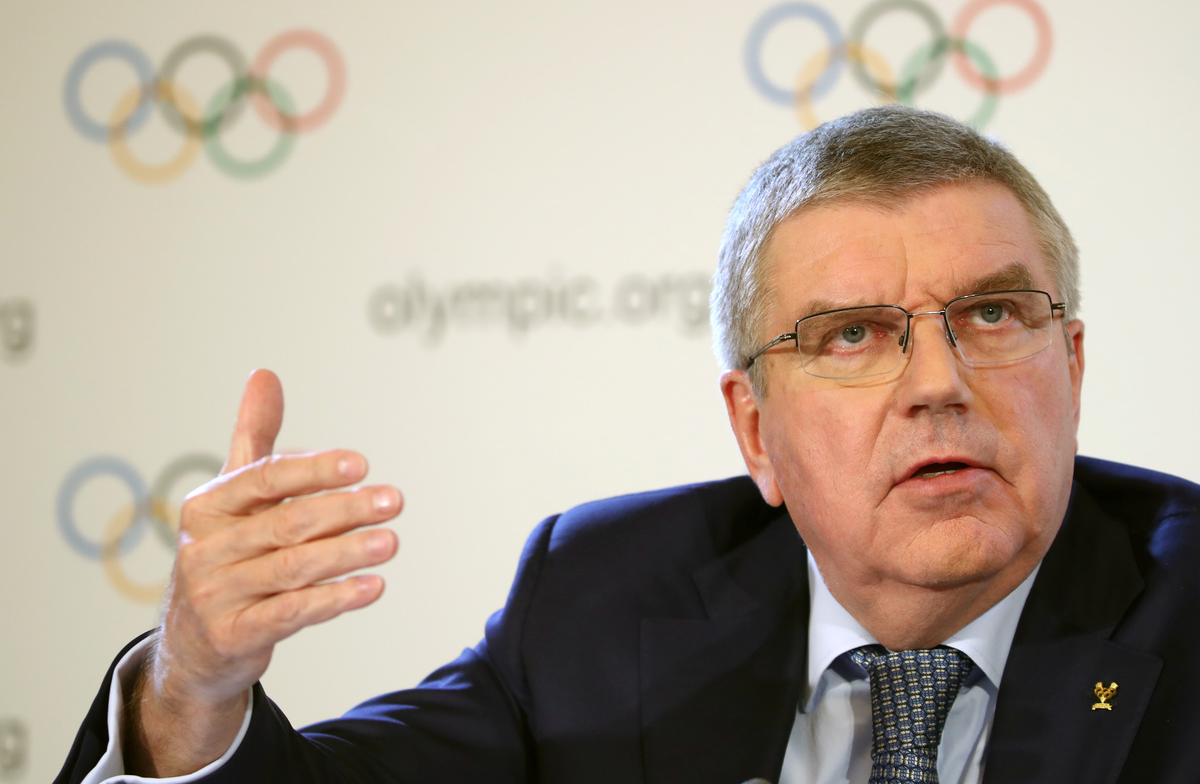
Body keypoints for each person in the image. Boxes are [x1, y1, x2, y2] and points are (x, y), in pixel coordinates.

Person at [57, 106, 1200, 783]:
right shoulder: (602, 602)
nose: (940, 383)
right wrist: (191, 687)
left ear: (1073, 366)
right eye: (852, 335)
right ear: (755, 429)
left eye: (993, 314)